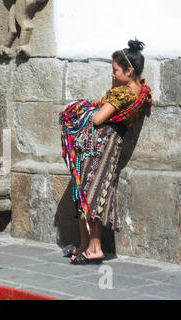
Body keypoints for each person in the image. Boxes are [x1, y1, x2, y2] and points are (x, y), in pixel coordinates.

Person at [59, 39, 152, 265]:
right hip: (110, 145)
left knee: (90, 193)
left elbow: (99, 118)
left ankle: (95, 247)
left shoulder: (121, 94)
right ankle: (84, 245)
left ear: (129, 71)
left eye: (115, 70)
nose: (112, 75)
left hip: (101, 145)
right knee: (90, 191)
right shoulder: (141, 92)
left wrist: (89, 110)